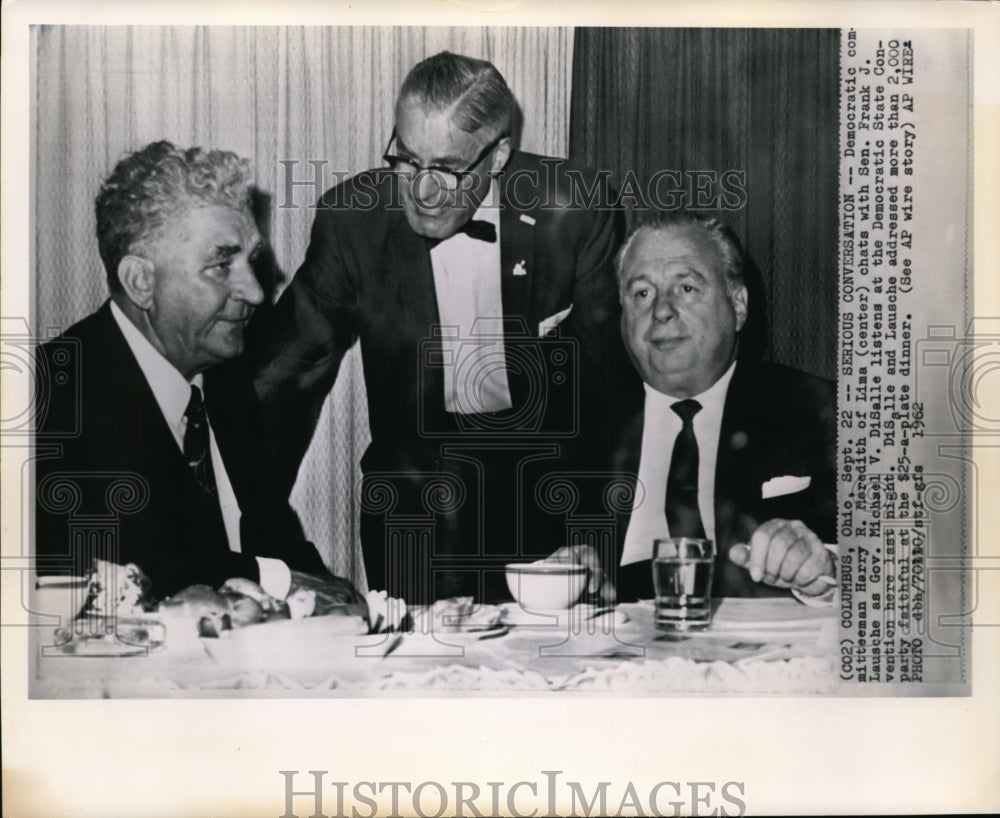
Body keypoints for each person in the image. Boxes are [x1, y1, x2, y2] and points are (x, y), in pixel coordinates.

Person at [250, 52, 625, 603]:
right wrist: (234, 523)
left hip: (551, 499)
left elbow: (609, 390)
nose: (422, 192)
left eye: (447, 169)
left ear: (497, 156)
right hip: (414, 504)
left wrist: (602, 534)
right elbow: (278, 379)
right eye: (407, 160)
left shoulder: (574, 209)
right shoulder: (354, 220)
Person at [35, 141, 363, 606]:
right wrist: (284, 583)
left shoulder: (224, 384)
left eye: (250, 261)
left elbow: (275, 536)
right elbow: (143, 569)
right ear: (141, 282)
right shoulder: (54, 397)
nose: (253, 291)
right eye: (220, 265)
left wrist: (343, 604)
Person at [560, 211, 837, 603]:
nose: (661, 311)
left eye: (686, 288)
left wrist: (824, 570)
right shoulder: (566, 426)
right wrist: (561, 579)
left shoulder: (822, 411)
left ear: (738, 304)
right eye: (641, 293)